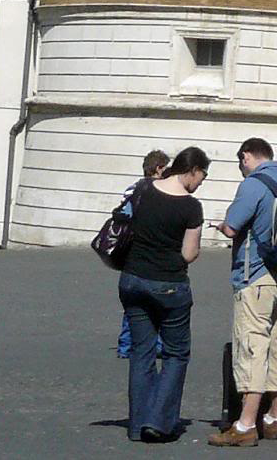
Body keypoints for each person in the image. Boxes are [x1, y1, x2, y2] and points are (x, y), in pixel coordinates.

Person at [211, 138, 277, 447]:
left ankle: (246, 424)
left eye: (240, 162)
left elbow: (234, 227)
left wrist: (221, 225)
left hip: (256, 275)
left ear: (247, 156)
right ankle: (274, 419)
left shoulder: (253, 184)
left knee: (252, 346)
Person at [120, 146, 209, 443]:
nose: (201, 183)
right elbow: (189, 253)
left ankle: (137, 423)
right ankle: (158, 422)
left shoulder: (144, 189)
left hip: (132, 279)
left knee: (141, 352)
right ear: (193, 170)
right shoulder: (190, 207)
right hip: (169, 284)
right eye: (202, 177)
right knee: (175, 353)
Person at [118, 151, 172, 358]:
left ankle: (126, 344)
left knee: (133, 302)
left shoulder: (132, 188)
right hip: (151, 251)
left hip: (131, 251)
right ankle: (155, 345)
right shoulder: (158, 191)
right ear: (159, 168)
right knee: (156, 301)